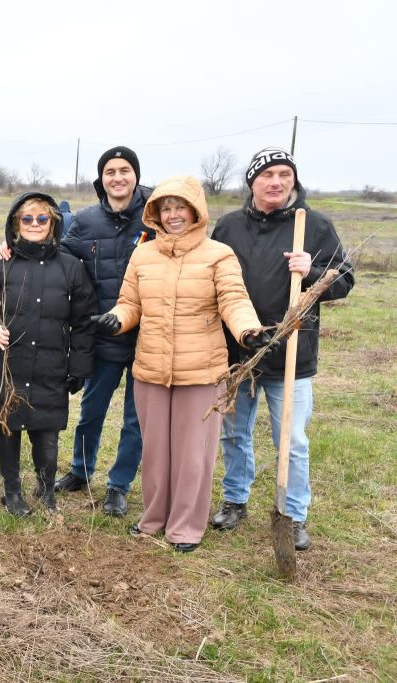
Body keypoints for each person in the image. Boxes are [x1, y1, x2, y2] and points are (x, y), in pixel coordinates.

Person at [96, 176, 266, 552]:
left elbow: (234, 301)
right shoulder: (143, 254)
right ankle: (153, 518)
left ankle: (186, 527)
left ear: (195, 211)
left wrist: (249, 331)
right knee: (155, 450)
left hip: (201, 372)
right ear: (155, 213)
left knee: (193, 455)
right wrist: (117, 318)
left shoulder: (218, 254)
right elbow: (130, 302)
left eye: (180, 207)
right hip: (151, 369)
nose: (173, 215)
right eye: (166, 208)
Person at [210, 148, 355, 551]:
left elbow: (344, 279)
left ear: (293, 180)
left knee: (291, 440)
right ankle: (235, 499)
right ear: (252, 181)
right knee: (234, 434)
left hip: (293, 352)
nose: (276, 182)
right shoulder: (229, 226)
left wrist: (313, 271)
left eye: (284, 175)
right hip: (237, 351)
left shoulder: (314, 226)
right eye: (268, 174)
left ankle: (292, 514)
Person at [0, 192, 96, 517]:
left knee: (47, 435)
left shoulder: (71, 268)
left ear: (52, 223)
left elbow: (84, 322)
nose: (35, 224)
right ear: (16, 222)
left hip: (51, 367)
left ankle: (45, 490)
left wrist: (79, 366)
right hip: (7, 366)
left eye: (42, 219)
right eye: (27, 218)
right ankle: (12, 491)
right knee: (7, 427)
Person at [56, 146, 154, 517]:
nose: (118, 177)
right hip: (103, 333)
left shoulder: (155, 217)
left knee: (136, 417)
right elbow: (59, 260)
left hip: (149, 335)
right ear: (102, 178)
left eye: (125, 170)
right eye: (110, 171)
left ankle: (119, 485)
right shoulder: (84, 221)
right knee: (92, 408)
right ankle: (80, 470)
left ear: (135, 176)